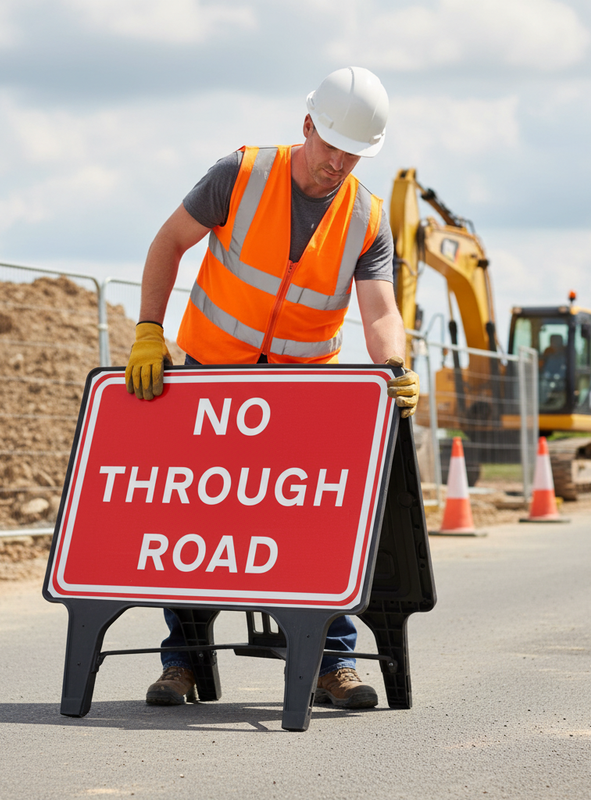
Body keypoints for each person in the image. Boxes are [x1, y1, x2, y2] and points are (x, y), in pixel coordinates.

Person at [125, 66, 420, 710]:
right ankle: (184, 661)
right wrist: (150, 332)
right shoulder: (241, 173)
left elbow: (379, 312)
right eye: (332, 144)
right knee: (194, 521)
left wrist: (393, 366)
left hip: (301, 394)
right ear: (308, 124)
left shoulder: (366, 215)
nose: (339, 162)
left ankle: (330, 662)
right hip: (211, 378)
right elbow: (168, 243)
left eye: (355, 152)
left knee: (310, 522)